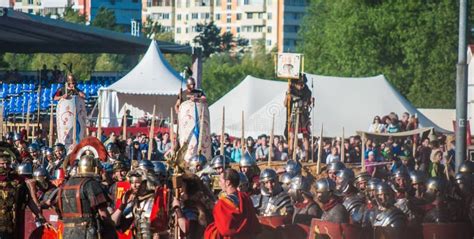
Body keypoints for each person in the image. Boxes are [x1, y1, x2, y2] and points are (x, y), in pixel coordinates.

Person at [57, 154, 116, 238]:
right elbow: (103, 212)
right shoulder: (91, 184)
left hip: (67, 233)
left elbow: (55, 206)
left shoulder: (65, 185)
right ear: (95, 169)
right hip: (87, 233)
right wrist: (111, 224)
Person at [204, 168, 261, 238]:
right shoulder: (245, 197)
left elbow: (224, 229)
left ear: (228, 182)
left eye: (220, 181)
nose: (219, 183)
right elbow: (253, 222)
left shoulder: (222, 204)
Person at [0, 149, 28, 239]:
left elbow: (27, 199)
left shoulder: (16, 179)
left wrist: (39, 216)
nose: (5, 166)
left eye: (7, 163)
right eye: (2, 164)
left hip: (9, 223)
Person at [284, 74, 313, 156]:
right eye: (300, 84)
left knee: (306, 135)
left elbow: (309, 104)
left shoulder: (307, 91)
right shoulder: (291, 91)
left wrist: (310, 102)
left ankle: (307, 154)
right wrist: (287, 95)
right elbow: (285, 104)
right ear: (296, 84)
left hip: (304, 115)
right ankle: (290, 154)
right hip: (294, 115)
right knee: (292, 135)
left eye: (303, 84)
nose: (301, 85)